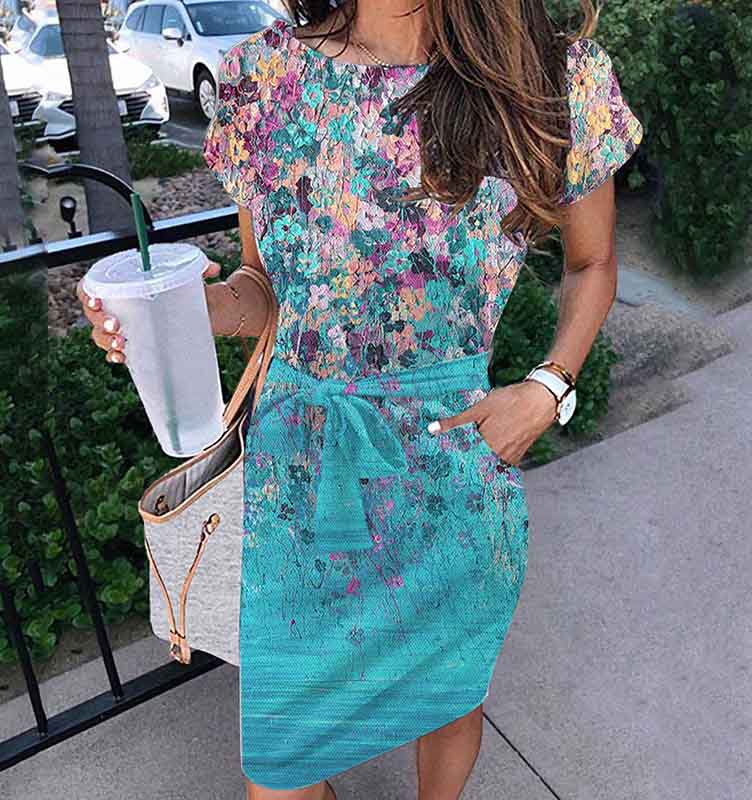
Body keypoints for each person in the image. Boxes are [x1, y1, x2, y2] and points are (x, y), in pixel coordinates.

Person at [77, 1, 643, 797]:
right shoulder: (264, 77)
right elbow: (263, 290)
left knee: (448, 700)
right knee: (278, 764)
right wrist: (191, 312)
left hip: (449, 469)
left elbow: (594, 263)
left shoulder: (550, 78)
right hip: (298, 478)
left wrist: (548, 387)